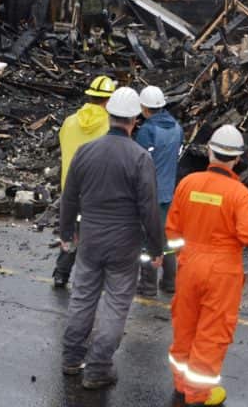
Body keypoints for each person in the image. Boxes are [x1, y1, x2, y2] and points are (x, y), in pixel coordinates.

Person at [60, 87, 163, 390]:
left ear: (109, 115)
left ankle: (71, 358)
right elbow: (149, 209)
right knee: (116, 305)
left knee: (82, 299)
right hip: (123, 244)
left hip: (90, 239)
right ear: (134, 120)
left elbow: (69, 198)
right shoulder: (139, 157)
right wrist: (156, 248)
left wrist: (66, 234)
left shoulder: (86, 151)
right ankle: (98, 368)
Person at [165, 125, 248, 407]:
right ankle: (198, 395)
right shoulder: (240, 194)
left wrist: (185, 255)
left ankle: (181, 384)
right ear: (237, 158)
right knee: (212, 331)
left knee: (185, 325)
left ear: (210, 151)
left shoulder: (188, 183)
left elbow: (172, 229)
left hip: (190, 264)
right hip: (222, 270)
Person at [52, 74, 116, 287]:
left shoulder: (69, 122)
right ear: (109, 100)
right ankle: (90, 279)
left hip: (69, 189)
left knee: (70, 233)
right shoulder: (109, 127)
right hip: (96, 193)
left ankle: (61, 273)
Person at [135, 85, 184, 297]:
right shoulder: (176, 127)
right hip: (169, 193)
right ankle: (170, 281)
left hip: (149, 193)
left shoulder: (147, 131)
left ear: (144, 108)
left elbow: (138, 162)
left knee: (148, 240)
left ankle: (147, 285)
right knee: (168, 238)